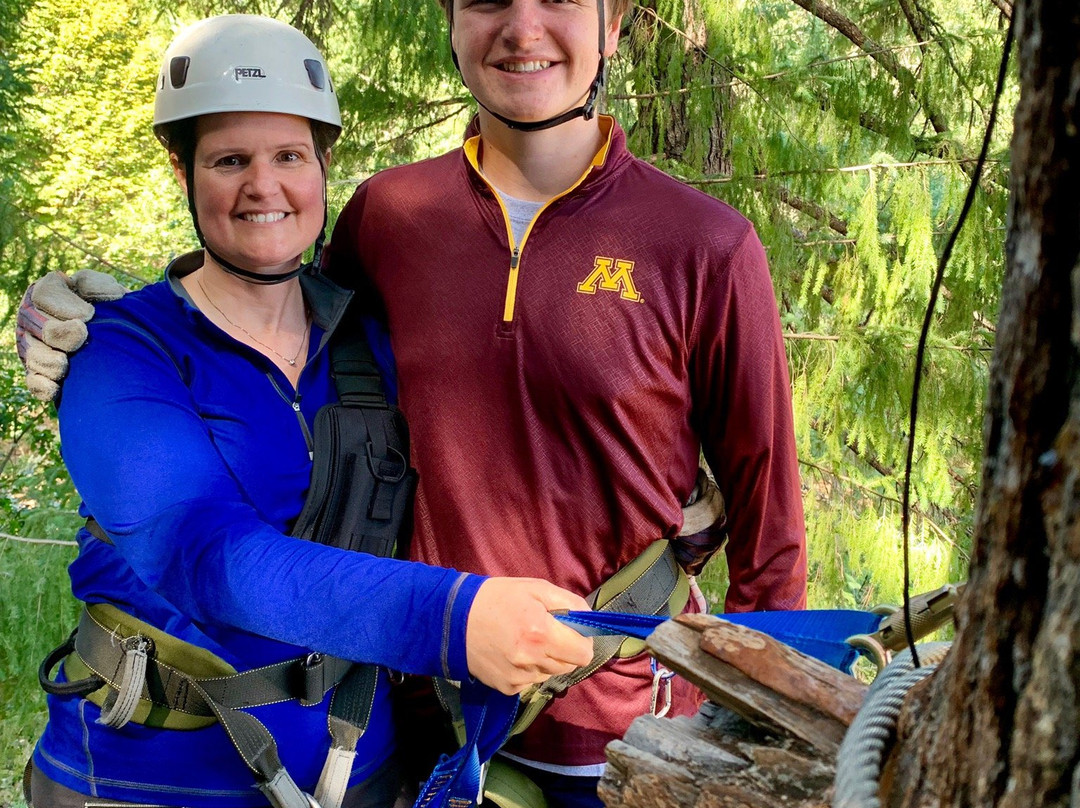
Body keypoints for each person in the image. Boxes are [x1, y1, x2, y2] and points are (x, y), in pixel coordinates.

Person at [18, 2, 809, 806]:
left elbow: (768, 507)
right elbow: (253, 326)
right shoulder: (391, 219)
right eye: (489, 0)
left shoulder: (705, 244)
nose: (524, 28)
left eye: (291, 154)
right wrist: (78, 323)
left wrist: (760, 717)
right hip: (412, 712)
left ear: (614, 28)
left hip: (605, 717)